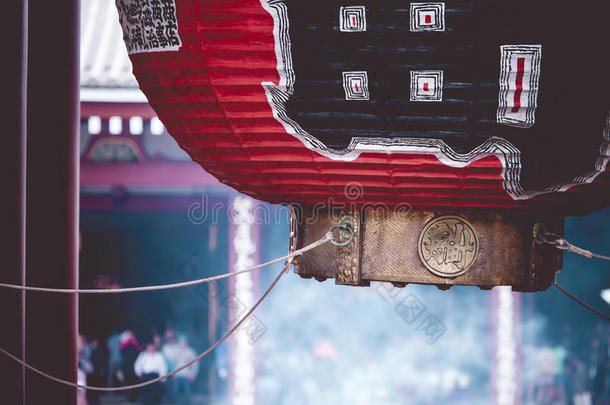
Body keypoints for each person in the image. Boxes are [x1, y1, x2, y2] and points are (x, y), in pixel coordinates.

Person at [172, 337, 199, 404]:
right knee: (175, 392)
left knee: (188, 393)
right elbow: (173, 364)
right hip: (177, 375)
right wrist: (173, 375)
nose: (182, 344)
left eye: (183, 342)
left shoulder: (191, 352)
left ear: (186, 343)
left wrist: (193, 374)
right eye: (181, 342)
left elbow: (195, 364)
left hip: (187, 375)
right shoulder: (176, 351)